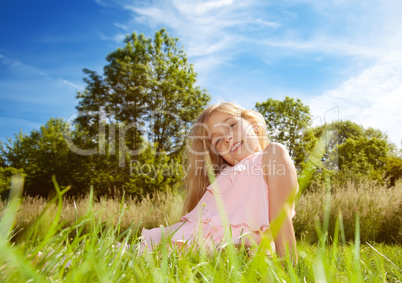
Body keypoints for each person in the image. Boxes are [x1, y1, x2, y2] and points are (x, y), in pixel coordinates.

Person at [140, 102, 298, 262]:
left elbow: (281, 217)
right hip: (191, 243)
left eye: (232, 125)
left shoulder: (272, 154)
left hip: (220, 250)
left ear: (253, 125)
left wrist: (289, 267)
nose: (227, 138)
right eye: (218, 140)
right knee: (131, 252)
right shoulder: (223, 176)